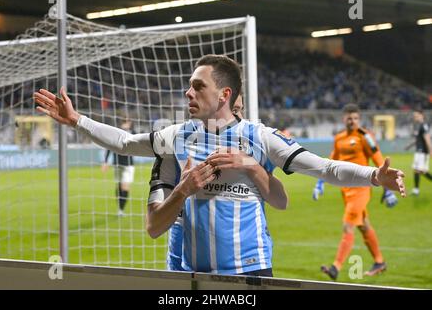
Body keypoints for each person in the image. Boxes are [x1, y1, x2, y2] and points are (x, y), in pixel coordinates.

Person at [33, 54, 405, 276]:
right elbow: (126, 143)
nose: (187, 93)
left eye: (197, 87)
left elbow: (323, 167)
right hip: (196, 272)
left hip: (252, 270)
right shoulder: (177, 135)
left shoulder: (261, 138)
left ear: (224, 94)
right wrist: (78, 120)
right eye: (189, 86)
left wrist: (374, 175)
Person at [151, 94, 289, 271]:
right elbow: (155, 225)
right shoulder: (175, 147)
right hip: (184, 256)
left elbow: (281, 201)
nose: (233, 119)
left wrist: (251, 166)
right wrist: (183, 190)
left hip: (245, 264)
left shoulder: (248, 149)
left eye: (237, 111)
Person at [313, 104, 398, 281]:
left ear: (359, 119)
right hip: (345, 191)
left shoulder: (366, 136)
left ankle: (336, 267)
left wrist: (387, 188)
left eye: (355, 118)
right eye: (349, 118)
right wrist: (319, 183)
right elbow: (330, 162)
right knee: (363, 224)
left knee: (348, 225)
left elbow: (379, 161)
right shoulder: (339, 138)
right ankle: (379, 262)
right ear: (344, 119)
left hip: (362, 189)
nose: (352, 121)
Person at [101, 118, 135, 216]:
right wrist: (105, 162)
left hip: (128, 164)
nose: (127, 123)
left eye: (128, 121)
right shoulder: (116, 133)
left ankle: (121, 209)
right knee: (119, 186)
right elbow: (109, 147)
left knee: (125, 187)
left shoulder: (132, 133)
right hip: (117, 163)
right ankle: (120, 210)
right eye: (125, 121)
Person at [404, 108, 431, 196]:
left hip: (422, 151)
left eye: (416, 115)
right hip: (419, 151)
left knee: (419, 170)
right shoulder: (419, 125)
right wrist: (409, 146)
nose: (415, 117)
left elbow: (427, 138)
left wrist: (431, 150)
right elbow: (418, 139)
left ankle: (416, 190)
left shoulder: (423, 125)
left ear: (422, 115)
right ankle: (416, 190)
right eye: (414, 116)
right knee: (419, 170)